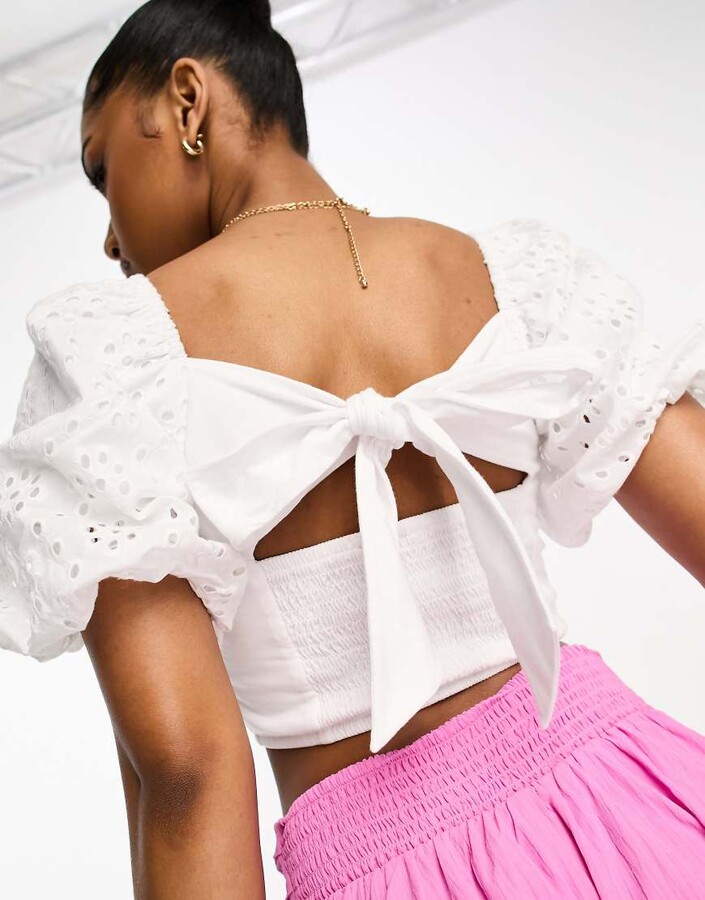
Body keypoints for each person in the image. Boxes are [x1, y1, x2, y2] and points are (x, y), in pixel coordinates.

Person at [2, 0, 705, 897]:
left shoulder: (116, 366)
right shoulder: (511, 278)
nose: (109, 235)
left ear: (187, 101)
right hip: (628, 818)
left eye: (103, 169)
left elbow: (184, 775)